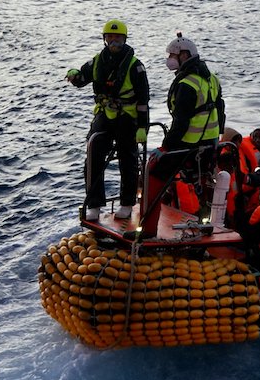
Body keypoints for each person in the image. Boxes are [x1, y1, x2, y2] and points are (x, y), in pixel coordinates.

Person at [139, 34, 225, 238]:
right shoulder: (211, 78)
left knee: (152, 173)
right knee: (203, 182)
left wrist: (165, 148)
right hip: (209, 143)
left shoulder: (187, 84)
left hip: (188, 143)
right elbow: (220, 109)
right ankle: (206, 224)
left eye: (172, 55)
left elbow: (181, 122)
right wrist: (216, 139)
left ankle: (147, 231)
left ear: (184, 55)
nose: (169, 58)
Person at [66, 19, 150, 221]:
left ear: (124, 40)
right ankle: (94, 204)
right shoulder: (97, 62)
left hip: (127, 117)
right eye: (110, 38)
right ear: (104, 39)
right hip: (104, 114)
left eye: (118, 38)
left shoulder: (135, 66)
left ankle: (127, 203)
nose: (114, 42)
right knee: (93, 154)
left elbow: (143, 100)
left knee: (128, 159)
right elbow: (82, 79)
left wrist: (142, 127)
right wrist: (74, 75)